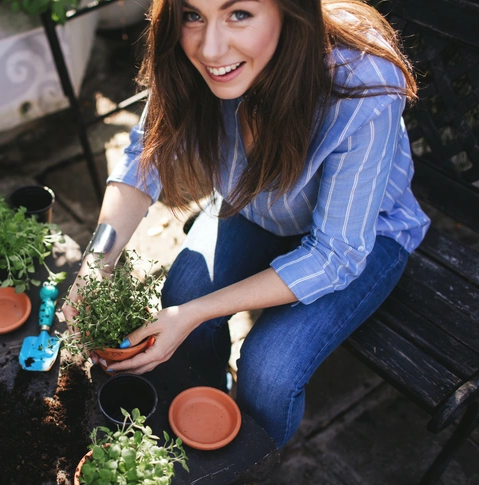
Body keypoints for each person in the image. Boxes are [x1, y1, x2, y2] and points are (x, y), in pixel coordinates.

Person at [63, 0, 430, 448]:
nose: (212, 49)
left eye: (239, 13)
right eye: (193, 15)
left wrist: (193, 314)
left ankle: (253, 465)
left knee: (269, 370)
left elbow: (335, 254)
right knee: (181, 293)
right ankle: (202, 420)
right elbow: (146, 155)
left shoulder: (363, 81)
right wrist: (96, 264)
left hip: (366, 236)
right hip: (255, 208)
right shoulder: (186, 55)